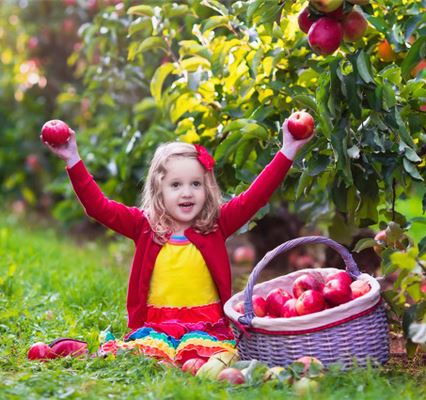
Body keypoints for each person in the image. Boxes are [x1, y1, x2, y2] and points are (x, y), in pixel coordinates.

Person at [41, 118, 313, 364]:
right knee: (149, 358)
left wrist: (287, 149)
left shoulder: (217, 224)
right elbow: (98, 207)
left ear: (207, 189)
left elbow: (256, 196)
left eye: (196, 184)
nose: (187, 193)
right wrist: (72, 158)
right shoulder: (144, 226)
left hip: (207, 327)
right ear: (159, 189)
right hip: (157, 327)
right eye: (176, 185)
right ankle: (75, 350)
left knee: (213, 360)